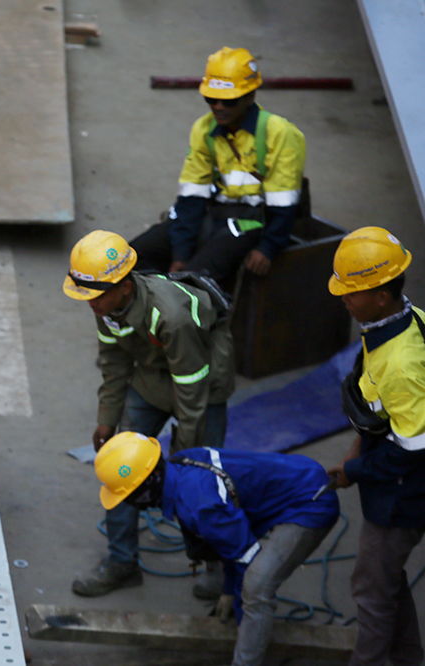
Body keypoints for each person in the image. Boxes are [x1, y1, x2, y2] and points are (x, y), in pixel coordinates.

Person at [64, 230, 235, 598]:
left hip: (202, 378)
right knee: (118, 467)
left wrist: (185, 456)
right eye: (85, 294)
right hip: (151, 375)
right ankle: (122, 563)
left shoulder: (170, 315)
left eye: (95, 295)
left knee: (203, 478)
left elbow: (192, 392)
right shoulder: (104, 304)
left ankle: (217, 566)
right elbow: (113, 359)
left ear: (125, 286)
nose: (89, 303)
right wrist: (107, 417)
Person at [95, 432, 340, 666]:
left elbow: (246, 558)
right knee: (242, 572)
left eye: (126, 495)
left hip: (310, 503)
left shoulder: (199, 505)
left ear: (145, 488)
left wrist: (241, 608)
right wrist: (228, 591)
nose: (126, 502)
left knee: (256, 588)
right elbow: (229, 541)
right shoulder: (180, 464)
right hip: (298, 475)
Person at [325, 227, 425, 666]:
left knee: (370, 587)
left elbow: (411, 448)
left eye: (353, 292)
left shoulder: (402, 365)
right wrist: (356, 449)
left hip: (404, 491)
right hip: (394, 467)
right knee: (385, 580)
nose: (343, 298)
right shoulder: (407, 319)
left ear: (383, 295)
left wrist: (356, 471)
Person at [129, 46, 306, 289]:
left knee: (190, 283)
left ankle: (195, 319)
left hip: (252, 223)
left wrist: (268, 248)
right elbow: (192, 195)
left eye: (229, 101)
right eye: (211, 99)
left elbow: (283, 202)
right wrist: (180, 252)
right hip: (212, 214)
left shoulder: (279, 133)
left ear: (250, 97)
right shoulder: (204, 130)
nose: (219, 107)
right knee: (131, 259)